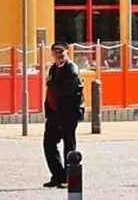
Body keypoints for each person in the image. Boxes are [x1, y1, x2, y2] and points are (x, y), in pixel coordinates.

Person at [42, 42, 83, 189]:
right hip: (54, 112)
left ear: (67, 53)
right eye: (56, 52)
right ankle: (58, 176)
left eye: (62, 52)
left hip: (68, 113)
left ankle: (69, 177)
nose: (59, 55)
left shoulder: (71, 69)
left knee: (69, 145)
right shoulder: (54, 68)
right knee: (48, 144)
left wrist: (50, 83)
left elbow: (65, 90)